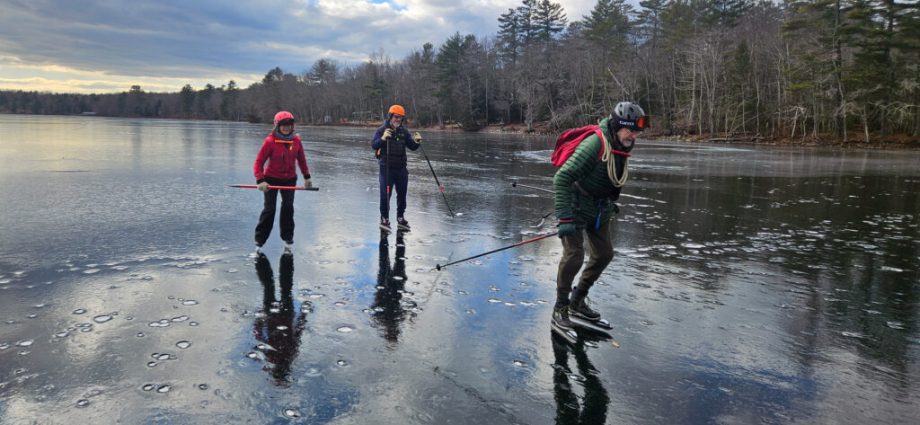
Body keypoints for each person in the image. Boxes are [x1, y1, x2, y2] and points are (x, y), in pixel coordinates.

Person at [551, 101, 648, 334]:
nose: (634, 135)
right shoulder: (595, 143)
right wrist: (565, 219)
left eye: (637, 132)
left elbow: (612, 177)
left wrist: (609, 202)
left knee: (604, 254)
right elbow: (562, 178)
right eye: (630, 130)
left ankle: (577, 301)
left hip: (599, 207)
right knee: (574, 254)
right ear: (616, 126)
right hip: (575, 205)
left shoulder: (622, 143)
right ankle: (560, 308)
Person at [253, 111, 311, 255]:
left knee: (287, 208)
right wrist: (260, 180)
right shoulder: (270, 141)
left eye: (289, 125)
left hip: (290, 179)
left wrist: (307, 177)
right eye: (283, 125)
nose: (286, 127)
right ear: (277, 126)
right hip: (271, 179)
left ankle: (287, 240)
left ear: (292, 126)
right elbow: (258, 162)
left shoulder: (296, 141)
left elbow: (302, 160)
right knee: (269, 209)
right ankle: (259, 241)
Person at [371, 104, 421, 232]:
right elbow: (374, 145)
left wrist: (417, 142)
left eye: (400, 118)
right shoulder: (381, 130)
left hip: (401, 168)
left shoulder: (404, 132)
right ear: (390, 116)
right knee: (385, 195)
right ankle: (384, 218)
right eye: (395, 117)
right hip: (386, 168)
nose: (397, 119)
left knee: (402, 194)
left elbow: (412, 146)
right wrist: (383, 139)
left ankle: (400, 217)